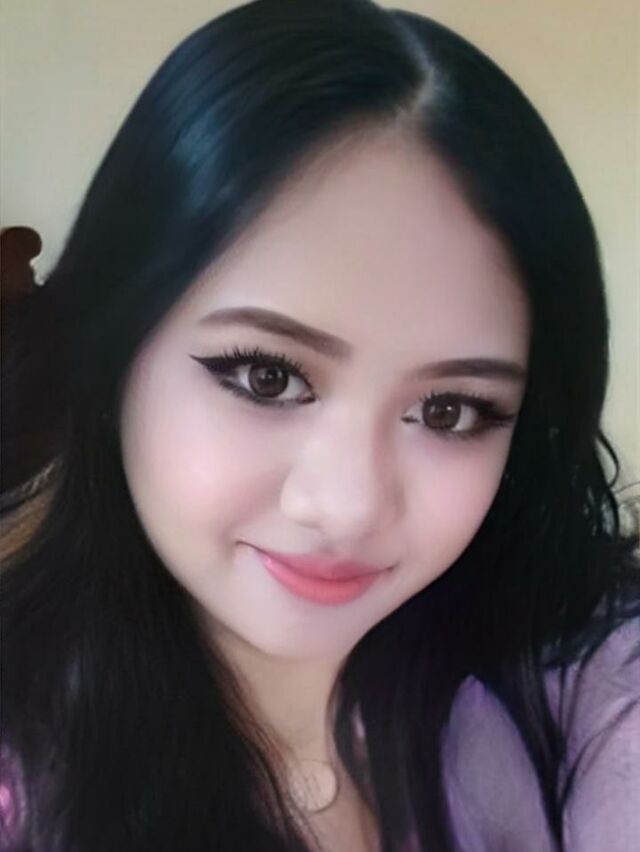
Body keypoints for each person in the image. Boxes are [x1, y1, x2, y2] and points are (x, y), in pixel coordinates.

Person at [1, 1, 639, 850]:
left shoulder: (575, 672)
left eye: (449, 411)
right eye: (267, 377)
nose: (348, 506)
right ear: (115, 352)